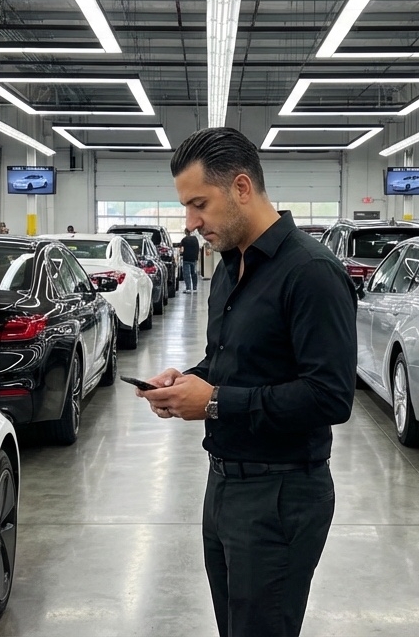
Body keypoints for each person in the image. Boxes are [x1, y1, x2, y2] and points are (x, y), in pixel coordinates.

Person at [137, 128, 355, 637]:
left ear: (240, 188)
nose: (190, 223)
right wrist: (186, 381)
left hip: (280, 494)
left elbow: (330, 395)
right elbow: (229, 363)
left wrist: (214, 404)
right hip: (223, 486)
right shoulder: (232, 269)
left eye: (198, 205)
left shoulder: (311, 272)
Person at [178, 227, 201, 293]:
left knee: (186, 273)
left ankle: (188, 288)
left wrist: (181, 253)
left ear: (185, 232)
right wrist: (196, 257)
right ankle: (195, 288)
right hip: (194, 258)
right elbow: (197, 248)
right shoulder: (195, 239)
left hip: (186, 258)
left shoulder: (184, 240)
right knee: (194, 273)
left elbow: (181, 249)